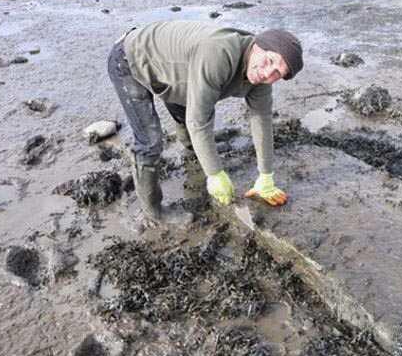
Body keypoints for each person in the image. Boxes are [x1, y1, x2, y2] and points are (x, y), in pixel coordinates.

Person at [107, 21, 303, 225]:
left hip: (178, 70)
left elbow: (261, 120)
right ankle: (153, 212)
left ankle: (192, 149)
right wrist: (215, 173)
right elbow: (199, 121)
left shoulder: (261, 79)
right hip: (130, 58)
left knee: (188, 111)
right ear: (258, 45)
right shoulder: (219, 54)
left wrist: (266, 176)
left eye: (277, 74)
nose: (267, 74)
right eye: (269, 61)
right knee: (150, 142)